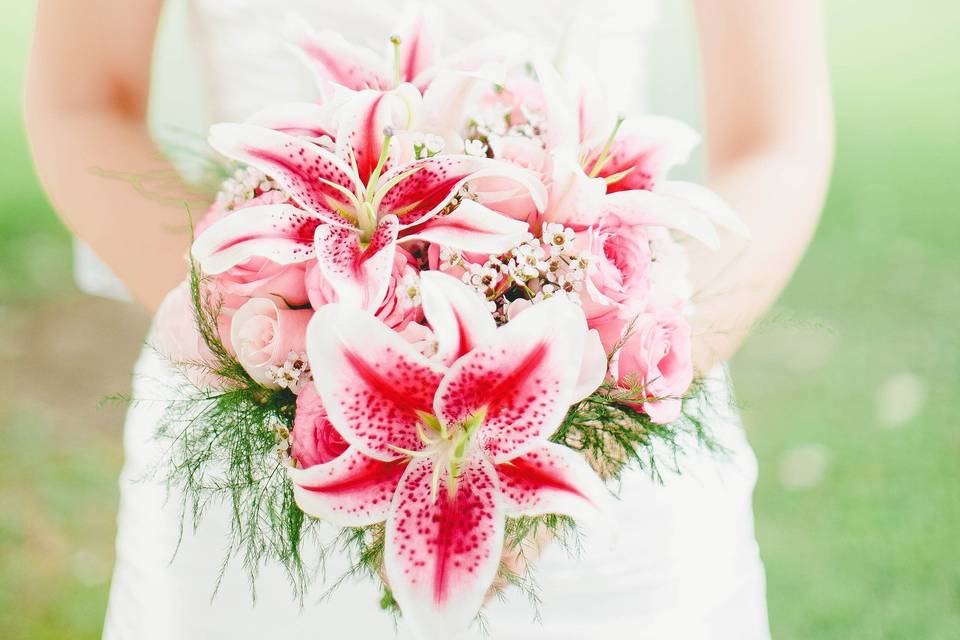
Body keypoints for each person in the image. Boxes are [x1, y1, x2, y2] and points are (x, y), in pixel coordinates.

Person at [25, 1, 833, 638]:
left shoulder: (610, 427)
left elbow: (778, 138)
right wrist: (265, 333)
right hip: (263, 459)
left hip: (626, 478)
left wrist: (610, 408)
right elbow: (81, 102)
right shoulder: (263, 361)